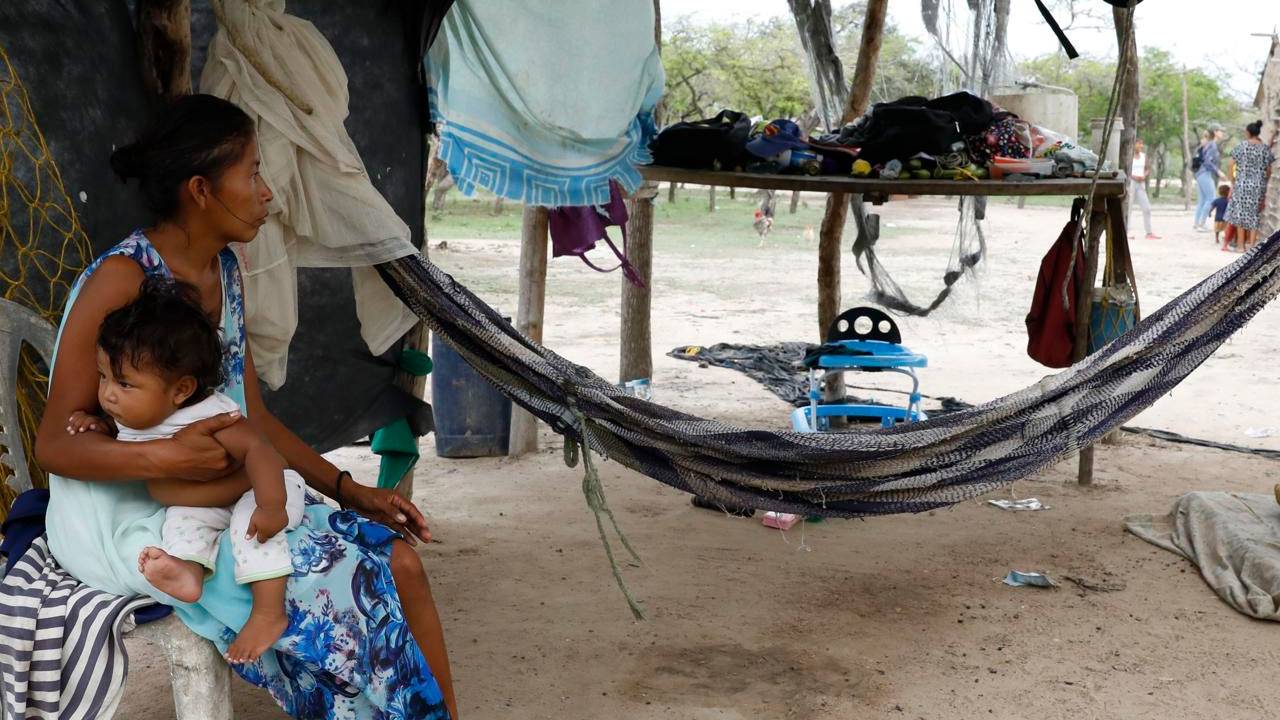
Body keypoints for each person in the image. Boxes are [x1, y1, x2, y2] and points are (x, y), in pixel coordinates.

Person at [33, 94, 458, 719]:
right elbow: (56, 446)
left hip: (222, 491)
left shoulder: (224, 269)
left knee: (402, 565)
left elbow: (248, 415)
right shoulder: (121, 279)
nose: (268, 194)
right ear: (202, 189)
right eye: (253, 173)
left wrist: (348, 488)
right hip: (133, 512)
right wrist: (168, 452)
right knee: (354, 585)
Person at [67, 277, 303, 664]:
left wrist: (272, 504)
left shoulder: (210, 414)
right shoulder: (134, 414)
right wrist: (99, 426)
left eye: (124, 383)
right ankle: (189, 573)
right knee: (180, 523)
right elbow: (126, 433)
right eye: (104, 377)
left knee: (252, 532)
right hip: (205, 503)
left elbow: (260, 450)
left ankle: (268, 613)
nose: (108, 394)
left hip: (262, 490)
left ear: (180, 390)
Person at [1224, 120, 1275, 253]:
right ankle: (1251, 247)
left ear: (1248, 132)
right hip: (1259, 185)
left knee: (1241, 214)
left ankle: (1241, 246)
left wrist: (1233, 180)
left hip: (1242, 184)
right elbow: (1269, 170)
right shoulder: (1264, 149)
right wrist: (1265, 181)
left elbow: (1230, 164)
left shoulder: (1242, 146)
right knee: (1254, 214)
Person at [1193, 127, 1225, 231]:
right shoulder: (1212, 145)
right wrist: (1218, 171)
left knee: (1202, 200)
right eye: (1221, 131)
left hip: (1200, 173)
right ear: (1215, 132)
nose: (1223, 133)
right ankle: (1202, 224)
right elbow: (1207, 161)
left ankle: (1197, 224)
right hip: (1205, 173)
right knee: (1211, 198)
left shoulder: (1209, 144)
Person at [1128, 138, 1160, 239]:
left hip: (1141, 184)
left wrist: (1144, 176)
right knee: (1129, 207)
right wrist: (1134, 176)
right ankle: (1127, 230)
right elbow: (1126, 170)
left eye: (1142, 144)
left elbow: (1147, 169)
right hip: (1131, 182)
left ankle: (1149, 232)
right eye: (1139, 144)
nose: (1141, 146)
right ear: (1133, 145)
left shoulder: (1143, 156)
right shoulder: (1129, 157)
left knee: (1147, 208)